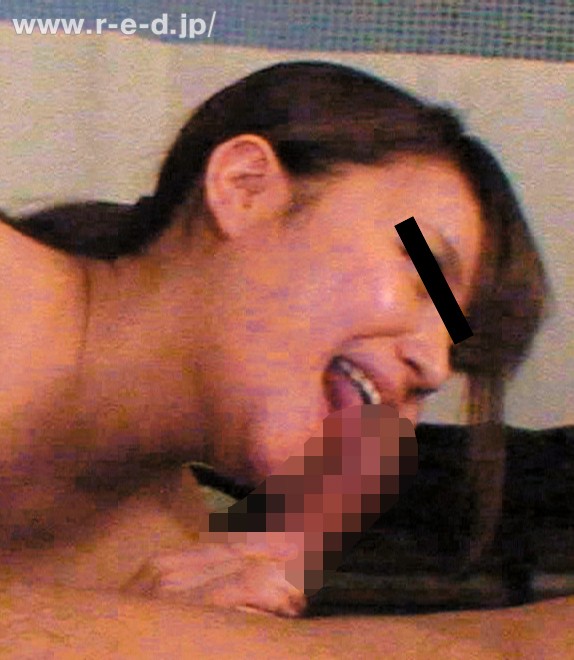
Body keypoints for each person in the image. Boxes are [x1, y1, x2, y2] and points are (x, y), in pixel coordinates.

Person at [0, 61, 554, 614]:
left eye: (456, 351)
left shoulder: (168, 556)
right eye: (425, 277)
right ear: (245, 187)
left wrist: (152, 631)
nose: (434, 367)